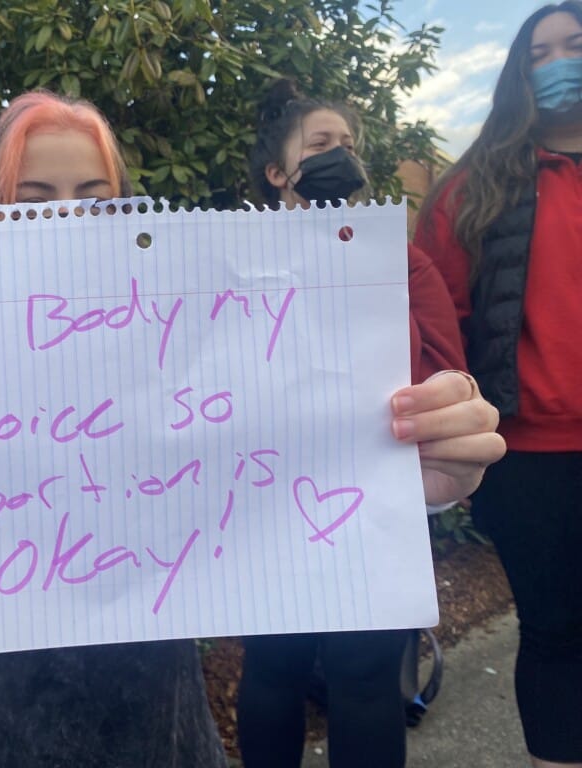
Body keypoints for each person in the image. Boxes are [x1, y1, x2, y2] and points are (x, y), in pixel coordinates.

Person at [0, 90, 503, 767]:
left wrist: (418, 484)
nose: (67, 217)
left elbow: (283, 469)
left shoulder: (189, 335)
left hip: (157, 721)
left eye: (95, 196)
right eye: (32, 195)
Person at [234, 78, 506, 768]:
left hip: (375, 502)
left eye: (348, 145)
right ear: (276, 173)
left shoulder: (401, 260)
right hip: (265, 503)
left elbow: (445, 366)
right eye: (321, 145)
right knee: (272, 673)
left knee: (364, 680)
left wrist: (441, 416)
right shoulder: (235, 264)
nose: (340, 157)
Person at [414, 5, 582, 767]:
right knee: (554, 633)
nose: (557, 62)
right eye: (539, 51)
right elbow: (437, 333)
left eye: (574, 46)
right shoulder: (470, 190)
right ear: (517, 71)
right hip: (531, 460)